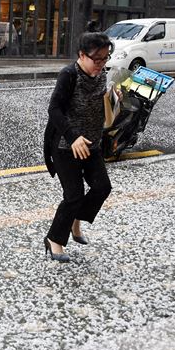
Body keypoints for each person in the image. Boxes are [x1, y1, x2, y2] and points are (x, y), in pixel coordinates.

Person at [42, 32, 120, 262]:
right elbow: (54, 109)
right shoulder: (69, 75)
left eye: (105, 58)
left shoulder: (102, 74)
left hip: (92, 143)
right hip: (67, 145)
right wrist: (73, 136)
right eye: (97, 59)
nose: (101, 64)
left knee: (102, 187)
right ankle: (55, 240)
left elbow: (102, 104)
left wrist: (114, 99)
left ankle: (76, 220)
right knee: (74, 195)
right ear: (81, 55)